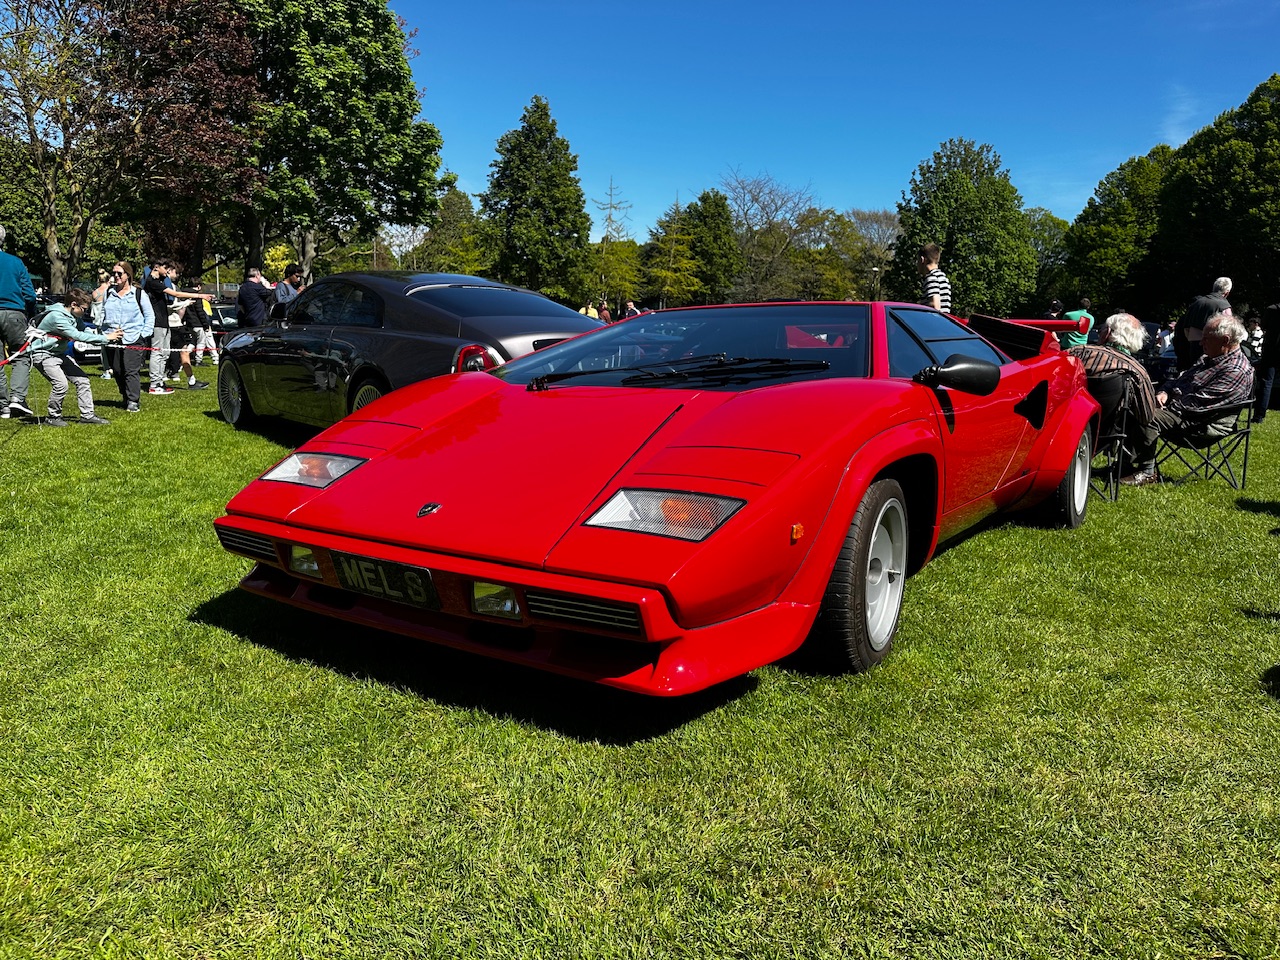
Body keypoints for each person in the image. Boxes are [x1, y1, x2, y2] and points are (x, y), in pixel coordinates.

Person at [1121, 312, 1254, 486]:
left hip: (1202, 424)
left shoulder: (1235, 370)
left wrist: (1163, 407)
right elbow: (1177, 380)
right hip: (1182, 411)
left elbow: (1200, 405)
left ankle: (1146, 472)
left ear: (1225, 340)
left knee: (1148, 415)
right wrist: (1164, 393)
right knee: (1132, 405)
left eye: (1206, 338)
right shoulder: (1208, 359)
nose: (1200, 343)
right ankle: (1123, 466)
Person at [24, 288, 121, 426]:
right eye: (84, 309)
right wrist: (106, 338)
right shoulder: (57, 317)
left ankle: (87, 416)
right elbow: (77, 336)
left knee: (83, 380)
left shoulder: (74, 316)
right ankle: (53, 417)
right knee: (61, 385)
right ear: (74, 305)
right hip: (43, 354)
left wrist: (98, 335)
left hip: (58, 353)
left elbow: (83, 329)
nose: (85, 312)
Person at [1067, 313, 1158, 435]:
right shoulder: (1137, 372)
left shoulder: (1079, 352)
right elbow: (1146, 416)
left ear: (1107, 332)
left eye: (1102, 329)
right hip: (1103, 435)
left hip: (1063, 423)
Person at [95, 261, 154, 413]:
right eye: (114, 273)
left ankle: (133, 400)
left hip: (133, 337)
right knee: (117, 369)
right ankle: (125, 395)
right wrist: (104, 331)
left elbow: (149, 316)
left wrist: (143, 334)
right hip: (112, 337)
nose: (116, 276)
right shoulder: (109, 292)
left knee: (130, 370)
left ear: (128, 275)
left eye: (119, 273)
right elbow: (103, 312)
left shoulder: (139, 294)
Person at [0, 223, 37, 419]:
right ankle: (17, 398)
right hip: (14, 313)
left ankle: (3, 405)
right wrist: (30, 315)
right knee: (21, 356)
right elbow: (30, 295)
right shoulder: (15, 262)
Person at [1174, 277, 1232, 371]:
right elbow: (1229, 332)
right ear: (1227, 293)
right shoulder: (1224, 306)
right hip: (1214, 348)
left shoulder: (1197, 303)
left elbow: (1186, 327)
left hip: (1193, 346)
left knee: (1193, 373)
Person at [1255, 298, 1280, 423]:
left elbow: (1264, 326)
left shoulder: (1272, 309)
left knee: (1266, 382)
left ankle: (1259, 415)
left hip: (1272, 349)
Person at [917, 243, 951, 312]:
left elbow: (935, 306)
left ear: (922, 260)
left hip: (935, 322)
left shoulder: (931, 278)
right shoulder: (943, 278)